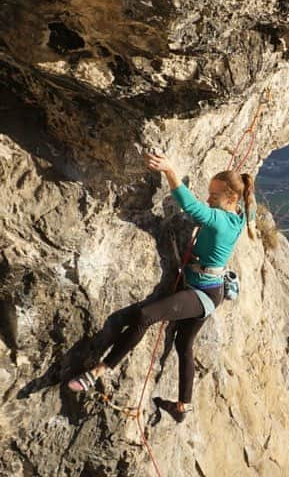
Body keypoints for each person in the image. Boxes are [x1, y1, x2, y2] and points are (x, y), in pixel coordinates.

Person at [67, 152, 254, 422]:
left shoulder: (220, 220)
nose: (209, 200)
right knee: (183, 344)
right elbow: (251, 205)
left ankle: (99, 370)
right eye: (210, 194)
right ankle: (182, 408)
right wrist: (253, 222)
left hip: (202, 294)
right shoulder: (238, 216)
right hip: (211, 290)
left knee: (145, 316)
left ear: (231, 199)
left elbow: (191, 207)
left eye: (214, 196)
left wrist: (169, 171)